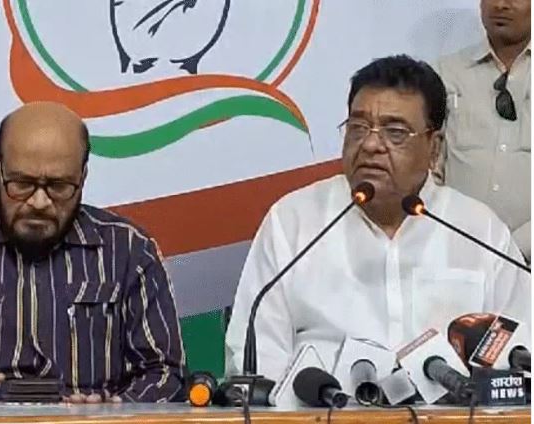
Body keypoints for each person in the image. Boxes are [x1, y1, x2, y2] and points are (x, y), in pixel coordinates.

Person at [225, 56, 531, 382]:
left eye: (395, 132)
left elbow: (523, 351)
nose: (370, 144)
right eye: (358, 128)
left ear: (434, 147)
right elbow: (256, 360)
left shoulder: (478, 230)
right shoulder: (293, 222)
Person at [0, 102, 185, 403]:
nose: (39, 202)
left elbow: (164, 373)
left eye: (58, 186)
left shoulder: (130, 252)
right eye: (22, 183)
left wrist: (113, 410)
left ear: (82, 177)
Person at [435, 0, 531, 261]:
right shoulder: (446, 73)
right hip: (454, 252)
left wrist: (513, 249)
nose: (501, 5)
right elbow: (428, 166)